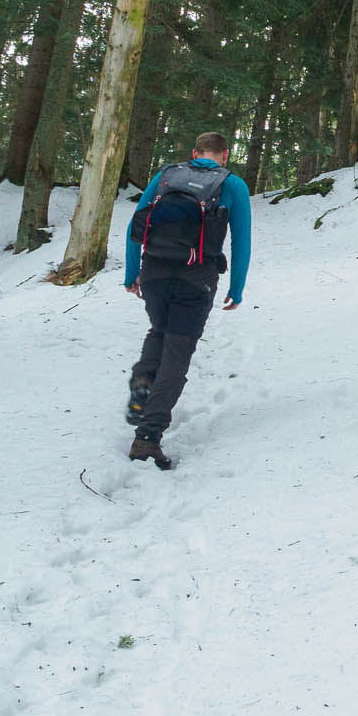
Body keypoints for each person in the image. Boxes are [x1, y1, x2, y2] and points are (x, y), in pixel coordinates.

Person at [122, 131, 252, 469]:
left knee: (159, 330)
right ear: (225, 155)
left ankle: (143, 383)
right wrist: (236, 288)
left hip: (154, 272)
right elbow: (241, 241)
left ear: (195, 152)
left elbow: (135, 225)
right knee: (177, 352)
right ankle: (147, 438)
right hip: (197, 279)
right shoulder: (233, 184)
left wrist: (131, 273)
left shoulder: (166, 175)